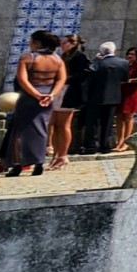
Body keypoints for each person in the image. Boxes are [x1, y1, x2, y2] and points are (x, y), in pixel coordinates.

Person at [7, 30, 65, 176]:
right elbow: (61, 79)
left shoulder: (27, 58)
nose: (29, 44)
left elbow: (22, 79)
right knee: (41, 129)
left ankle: (17, 164)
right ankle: (39, 163)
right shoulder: (58, 59)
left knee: (19, 131)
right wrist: (51, 94)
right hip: (47, 97)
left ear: (38, 43)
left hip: (29, 96)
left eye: (32, 41)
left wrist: (36, 94)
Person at [48, 34, 91, 170]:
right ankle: (56, 153)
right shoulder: (63, 56)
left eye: (64, 42)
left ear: (72, 43)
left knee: (63, 124)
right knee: (53, 123)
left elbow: (87, 72)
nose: (61, 45)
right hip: (59, 90)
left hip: (69, 92)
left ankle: (62, 155)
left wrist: (68, 79)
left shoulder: (79, 57)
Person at [85, 41, 128, 154]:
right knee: (108, 123)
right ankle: (105, 145)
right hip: (113, 97)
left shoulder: (98, 63)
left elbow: (89, 72)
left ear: (101, 52)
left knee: (93, 122)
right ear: (114, 50)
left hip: (95, 96)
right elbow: (125, 79)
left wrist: (96, 60)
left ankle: (91, 146)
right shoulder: (123, 63)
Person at [113, 47, 137, 152]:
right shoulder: (125, 64)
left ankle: (126, 142)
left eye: (132, 54)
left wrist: (129, 81)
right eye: (128, 53)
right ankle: (119, 141)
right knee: (119, 117)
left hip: (132, 93)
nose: (129, 56)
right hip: (122, 92)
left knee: (128, 117)